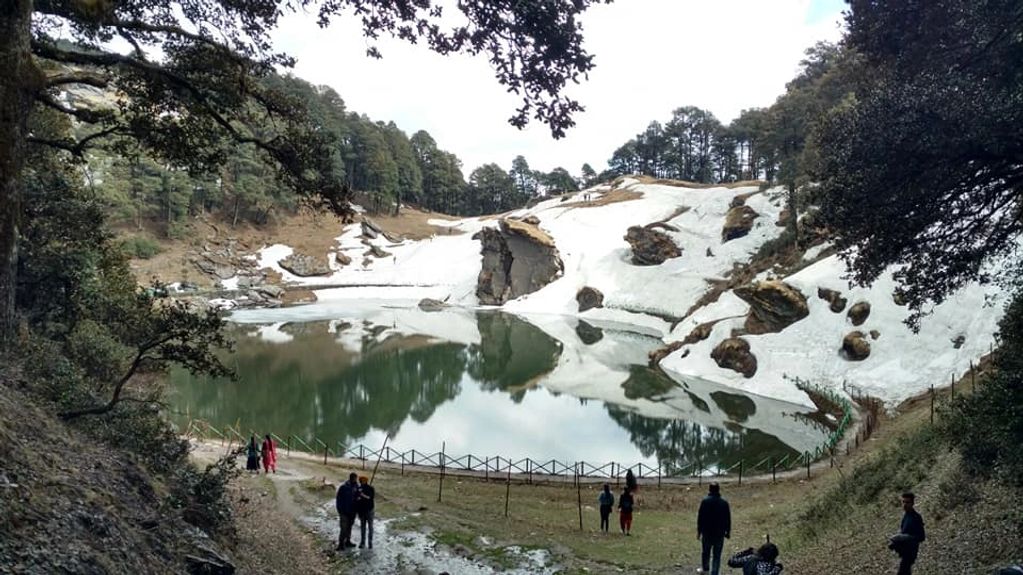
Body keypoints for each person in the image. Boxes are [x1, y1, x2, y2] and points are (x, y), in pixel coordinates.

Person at [697, 482, 731, 575]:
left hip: (707, 532)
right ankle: (715, 572)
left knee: (705, 552)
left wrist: (699, 531)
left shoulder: (705, 501)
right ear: (718, 490)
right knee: (717, 554)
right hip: (719, 533)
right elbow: (727, 518)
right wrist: (728, 532)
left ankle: (705, 569)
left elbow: (700, 518)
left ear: (709, 489)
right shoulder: (724, 503)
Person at [889, 492, 925, 575]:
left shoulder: (916, 517)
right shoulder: (906, 516)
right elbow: (903, 531)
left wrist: (906, 537)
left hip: (910, 552)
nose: (905, 504)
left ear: (912, 503)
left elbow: (921, 537)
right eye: (903, 502)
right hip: (904, 552)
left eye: (907, 502)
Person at [335, 473, 358, 550]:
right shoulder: (343, 487)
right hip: (344, 512)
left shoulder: (357, 486)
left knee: (349, 527)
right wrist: (340, 510)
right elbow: (338, 499)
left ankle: (348, 541)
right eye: (355, 478)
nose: (355, 480)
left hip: (352, 512)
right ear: (351, 478)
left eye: (356, 478)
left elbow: (358, 497)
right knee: (343, 528)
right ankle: (340, 544)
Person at [356, 475, 375, 549]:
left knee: (370, 527)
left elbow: (370, 498)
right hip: (361, 511)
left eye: (363, 480)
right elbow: (357, 500)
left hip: (369, 510)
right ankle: (362, 542)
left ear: (366, 480)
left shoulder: (370, 488)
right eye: (361, 480)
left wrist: (362, 495)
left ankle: (370, 542)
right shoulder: (359, 488)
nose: (362, 481)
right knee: (362, 527)